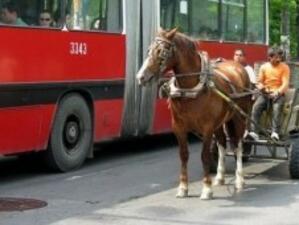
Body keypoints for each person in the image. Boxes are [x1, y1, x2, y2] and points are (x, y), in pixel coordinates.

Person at [248, 47, 290, 141]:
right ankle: (254, 132)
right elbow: (259, 82)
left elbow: (285, 83)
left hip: (278, 94)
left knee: (277, 108)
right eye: (276, 57)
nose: (278, 59)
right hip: (265, 93)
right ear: (269, 57)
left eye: (279, 57)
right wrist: (261, 87)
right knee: (256, 108)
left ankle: (275, 133)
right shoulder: (264, 67)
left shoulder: (285, 67)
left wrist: (277, 92)